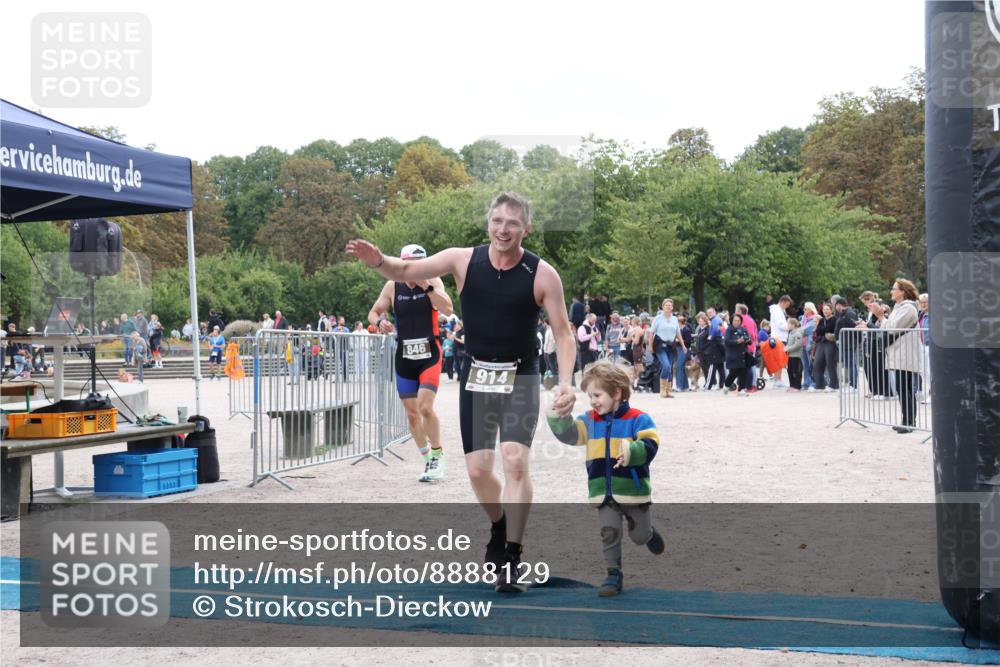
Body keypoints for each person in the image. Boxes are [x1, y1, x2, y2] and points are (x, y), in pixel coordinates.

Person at [347, 191, 578, 593]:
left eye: (512, 223)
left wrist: (565, 382)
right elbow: (406, 270)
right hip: (477, 375)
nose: (503, 229)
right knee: (477, 470)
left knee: (515, 462)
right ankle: (499, 525)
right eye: (497, 221)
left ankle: (512, 554)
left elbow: (563, 333)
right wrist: (378, 262)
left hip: (521, 374)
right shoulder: (461, 259)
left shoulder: (542, 275)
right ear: (488, 223)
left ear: (526, 228)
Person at [546, 360, 664, 597]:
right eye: (590, 397)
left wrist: (632, 452)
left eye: (597, 395)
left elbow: (651, 444)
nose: (593, 402)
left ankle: (648, 533)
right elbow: (570, 436)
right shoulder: (589, 420)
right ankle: (613, 574)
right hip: (602, 491)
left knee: (638, 537)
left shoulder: (638, 418)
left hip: (632, 490)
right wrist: (556, 415)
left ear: (617, 392)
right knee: (609, 531)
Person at [367, 243, 454, 483]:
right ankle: (427, 458)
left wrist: (427, 286)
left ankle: (437, 454)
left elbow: (447, 308)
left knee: (425, 407)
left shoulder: (433, 280)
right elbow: (373, 313)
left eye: (416, 266)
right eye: (407, 266)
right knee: (412, 414)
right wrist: (380, 322)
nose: (411, 271)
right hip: (404, 354)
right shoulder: (392, 285)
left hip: (429, 353)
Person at [863, 279, 921, 433]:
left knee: (905, 388)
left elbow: (892, 328)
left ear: (903, 291)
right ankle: (906, 420)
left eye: (894, 289)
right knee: (903, 388)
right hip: (900, 351)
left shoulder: (908, 308)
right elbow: (888, 327)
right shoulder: (899, 308)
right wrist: (882, 318)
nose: (891, 291)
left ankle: (909, 423)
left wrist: (881, 316)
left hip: (905, 352)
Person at [650, 299, 687, 398]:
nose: (668, 307)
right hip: (659, 345)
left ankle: (668, 390)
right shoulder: (658, 318)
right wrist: (650, 346)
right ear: (663, 307)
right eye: (666, 305)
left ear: (672, 307)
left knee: (669, 367)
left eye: (670, 305)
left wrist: (683, 345)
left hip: (671, 345)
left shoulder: (675, 319)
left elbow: (678, 333)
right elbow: (651, 333)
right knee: (666, 366)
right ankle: (662, 390)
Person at [833, 297, 860, 392]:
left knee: (851, 364)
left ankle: (854, 385)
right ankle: (852, 384)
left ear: (839, 305)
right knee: (849, 364)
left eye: (836, 305)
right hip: (844, 343)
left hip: (849, 343)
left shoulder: (849, 313)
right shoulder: (842, 314)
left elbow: (855, 327)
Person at [811, 303, 839, 392]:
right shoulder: (822, 320)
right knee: (817, 364)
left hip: (830, 343)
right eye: (824, 309)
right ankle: (819, 385)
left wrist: (824, 330)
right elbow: (818, 331)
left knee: (830, 364)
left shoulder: (834, 319)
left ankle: (833, 385)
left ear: (831, 310)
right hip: (821, 343)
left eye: (827, 309)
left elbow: (830, 329)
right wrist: (824, 330)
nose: (825, 311)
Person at [768, 295, 793, 387]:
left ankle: (777, 379)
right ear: (783, 302)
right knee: (779, 359)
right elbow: (780, 325)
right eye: (787, 304)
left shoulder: (778, 310)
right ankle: (778, 380)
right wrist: (789, 327)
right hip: (779, 338)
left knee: (778, 359)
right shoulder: (777, 311)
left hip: (778, 337)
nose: (787, 306)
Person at [723, 313, 751, 394]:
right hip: (733, 355)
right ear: (732, 321)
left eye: (738, 320)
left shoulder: (743, 329)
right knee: (734, 372)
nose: (737, 322)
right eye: (735, 320)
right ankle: (726, 384)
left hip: (742, 354)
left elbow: (749, 340)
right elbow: (727, 342)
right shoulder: (729, 329)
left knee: (743, 371)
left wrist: (748, 340)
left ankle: (741, 389)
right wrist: (737, 341)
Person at [800, 302, 819, 391]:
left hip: (810, 344)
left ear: (810, 309)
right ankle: (806, 382)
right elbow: (801, 328)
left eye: (805, 309)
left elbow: (806, 330)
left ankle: (813, 382)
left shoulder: (814, 318)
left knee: (811, 364)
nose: (804, 311)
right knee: (805, 365)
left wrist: (799, 330)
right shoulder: (804, 318)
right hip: (803, 344)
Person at [784, 318, 804, 391]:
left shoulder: (798, 333)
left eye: (788, 324)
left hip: (796, 356)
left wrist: (787, 349)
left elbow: (798, 345)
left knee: (796, 371)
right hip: (790, 355)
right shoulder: (791, 333)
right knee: (790, 371)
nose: (787, 325)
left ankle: (797, 386)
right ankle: (792, 385)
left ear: (793, 325)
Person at [675, 314, 693, 391]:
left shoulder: (686, 329)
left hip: (685, 349)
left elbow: (688, 342)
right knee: (681, 367)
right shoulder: (678, 330)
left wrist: (679, 340)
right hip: (679, 349)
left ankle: (680, 386)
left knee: (679, 366)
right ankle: (685, 386)